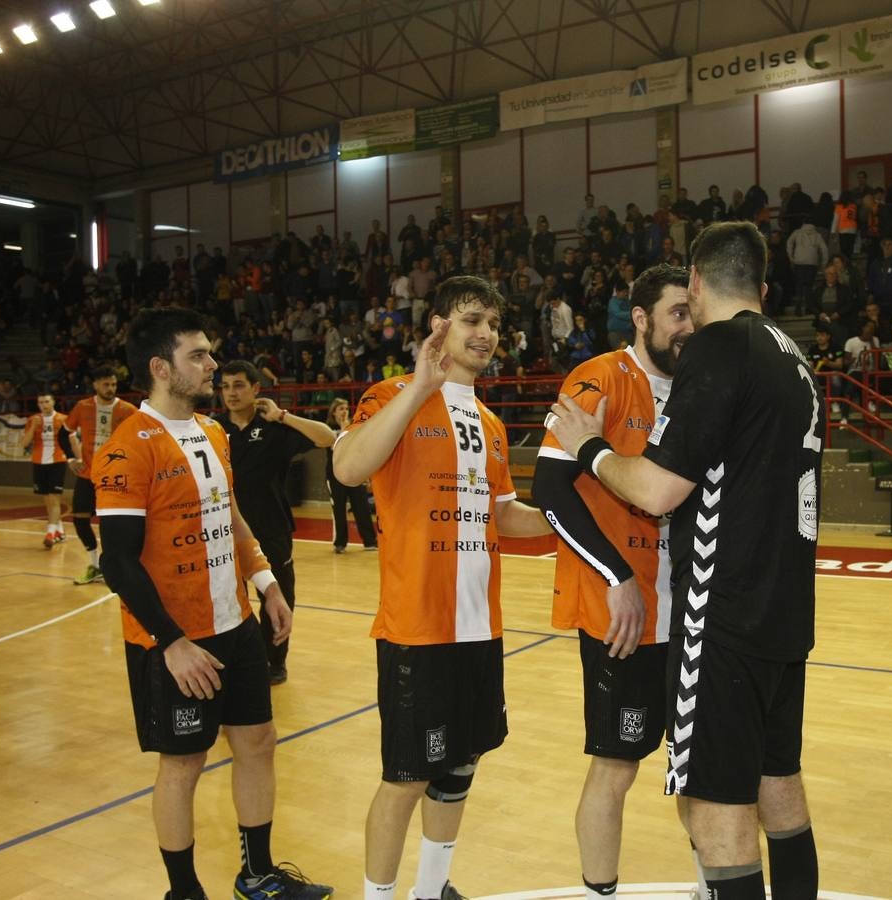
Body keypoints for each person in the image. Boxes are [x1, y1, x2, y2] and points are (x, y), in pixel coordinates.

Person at [548, 221, 822, 900]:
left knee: (716, 806)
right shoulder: (794, 355)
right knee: (778, 786)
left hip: (723, 614)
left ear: (697, 283)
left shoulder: (721, 348)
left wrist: (591, 447)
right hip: (785, 612)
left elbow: (656, 489)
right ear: (760, 281)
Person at [96, 307, 332, 900]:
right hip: (174, 640)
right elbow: (118, 562)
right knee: (183, 764)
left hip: (236, 624)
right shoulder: (128, 448)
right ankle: (184, 892)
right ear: (159, 367)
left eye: (210, 352)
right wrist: (172, 644)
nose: (212, 364)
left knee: (257, 742)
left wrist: (267, 583)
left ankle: (257, 874)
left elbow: (229, 517)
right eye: (198, 355)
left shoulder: (214, 431)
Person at [332, 276, 552, 900]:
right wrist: (420, 386)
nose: (485, 334)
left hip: (479, 625)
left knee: (461, 763)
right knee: (405, 776)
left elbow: (504, 515)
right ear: (438, 327)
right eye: (471, 320)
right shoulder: (388, 396)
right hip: (416, 626)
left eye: (493, 324)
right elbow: (348, 468)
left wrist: (575, 522)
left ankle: (431, 890)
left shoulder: (489, 421)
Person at [532, 265, 695, 900]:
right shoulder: (599, 376)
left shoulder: (698, 387)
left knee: (700, 770)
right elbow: (549, 487)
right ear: (641, 317)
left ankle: (718, 882)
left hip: (691, 612)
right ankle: (599, 893)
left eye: (693, 314)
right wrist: (617, 574)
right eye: (676, 312)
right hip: (621, 613)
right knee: (616, 767)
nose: (687, 326)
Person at [214, 360, 335, 685]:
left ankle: (275, 660)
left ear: (256, 389)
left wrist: (283, 415)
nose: (231, 393)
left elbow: (327, 438)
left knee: (277, 597)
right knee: (228, 601)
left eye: (238, 385)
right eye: (225, 386)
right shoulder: (211, 429)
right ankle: (243, 659)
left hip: (272, 530)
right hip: (224, 534)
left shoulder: (274, 428)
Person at [65, 365, 139, 584]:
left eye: (114, 384)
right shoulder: (82, 406)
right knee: (79, 520)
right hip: (87, 475)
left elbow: (142, 438)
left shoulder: (128, 410)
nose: (110, 388)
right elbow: (65, 432)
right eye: (106, 384)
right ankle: (94, 564)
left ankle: (113, 567)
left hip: (114, 477)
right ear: (96, 384)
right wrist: (72, 459)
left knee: (111, 525)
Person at [324, 397, 376, 553]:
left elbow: (358, 448)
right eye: (341, 409)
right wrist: (342, 426)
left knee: (362, 507)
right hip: (334, 475)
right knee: (338, 509)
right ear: (333, 412)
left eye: (346, 408)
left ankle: (370, 541)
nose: (344, 411)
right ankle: (340, 543)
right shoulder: (328, 429)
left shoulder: (355, 426)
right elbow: (338, 447)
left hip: (354, 472)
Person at [21, 392, 72, 548]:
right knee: (48, 500)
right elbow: (24, 443)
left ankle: (50, 532)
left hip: (57, 461)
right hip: (39, 461)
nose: (44, 405)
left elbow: (71, 441)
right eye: (41, 402)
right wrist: (34, 427)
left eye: (47, 401)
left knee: (54, 498)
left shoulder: (63, 420)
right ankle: (60, 531)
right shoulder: (33, 420)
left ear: (53, 402)